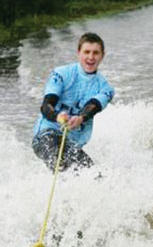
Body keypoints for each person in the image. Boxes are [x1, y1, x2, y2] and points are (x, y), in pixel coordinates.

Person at [32, 32, 114, 171]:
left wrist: (81, 118)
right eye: (86, 52)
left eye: (96, 53)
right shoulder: (61, 74)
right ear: (78, 53)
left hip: (71, 145)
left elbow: (93, 106)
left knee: (96, 177)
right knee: (60, 163)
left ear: (102, 55)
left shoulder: (106, 89)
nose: (91, 57)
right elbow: (47, 105)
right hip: (46, 135)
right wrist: (57, 116)